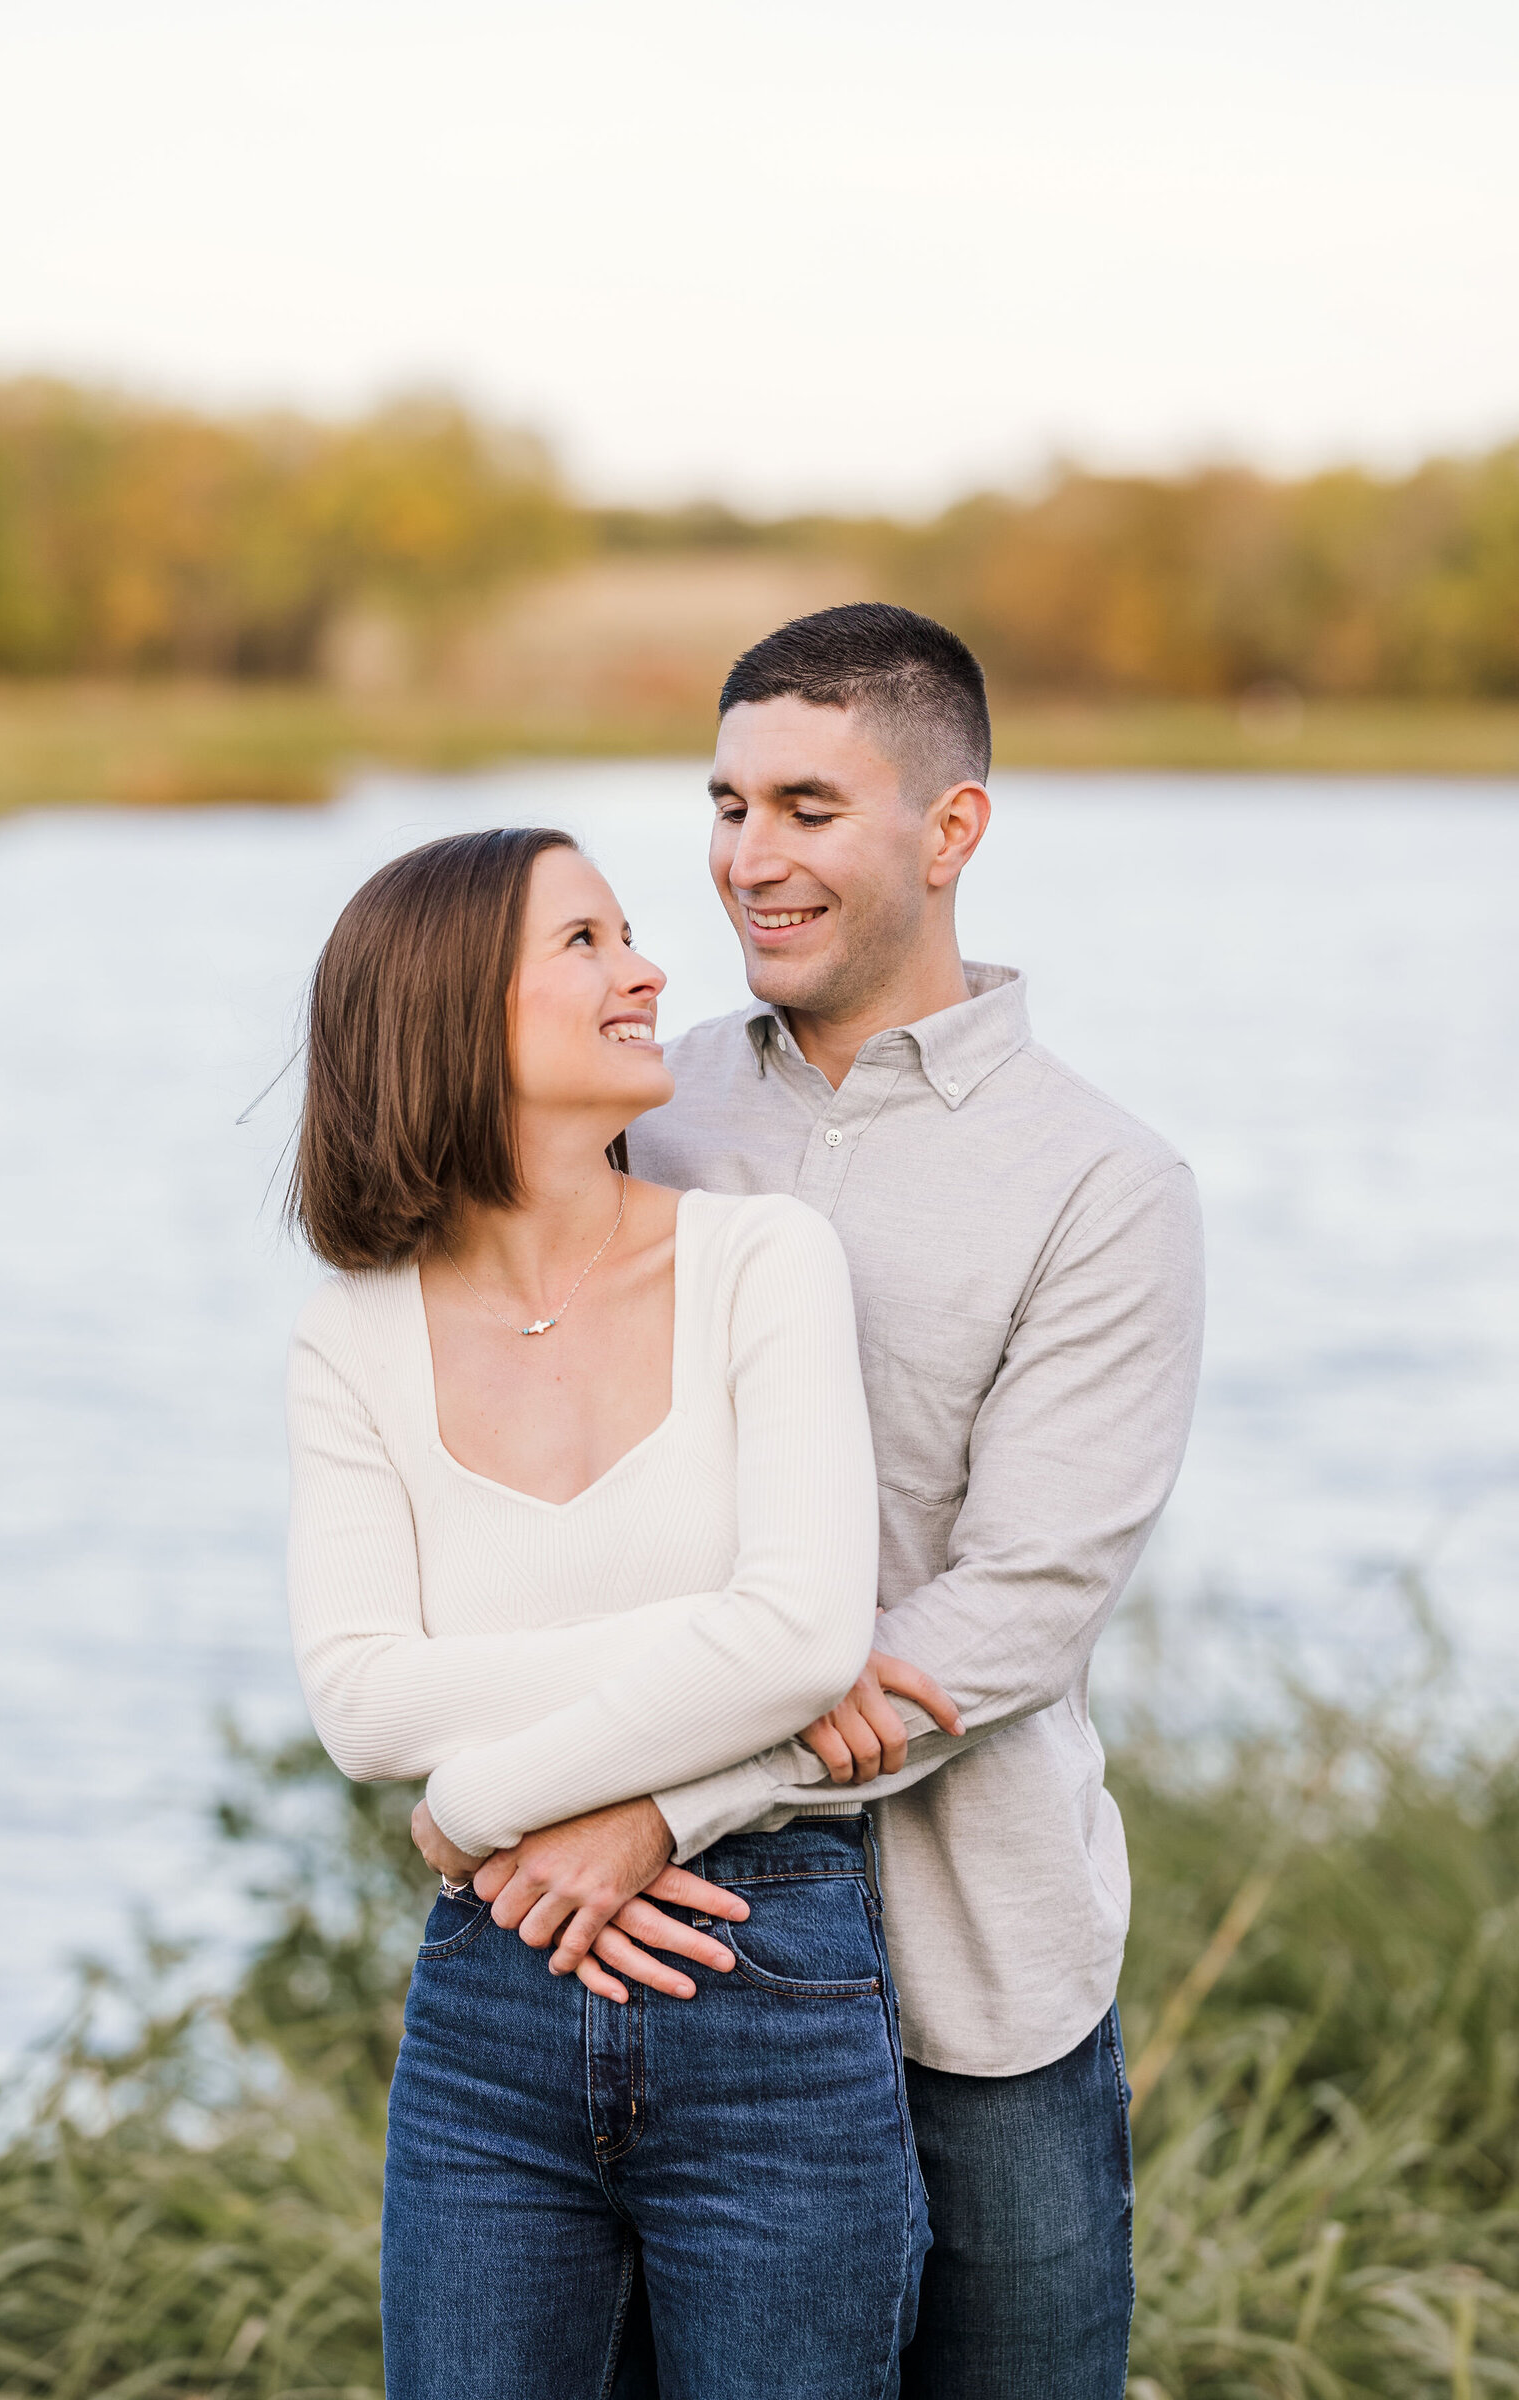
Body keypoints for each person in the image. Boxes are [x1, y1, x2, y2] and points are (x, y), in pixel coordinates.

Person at [414, 604, 1207, 2397]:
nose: (746, 861)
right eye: (724, 804)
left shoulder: (1104, 1186)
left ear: (952, 831)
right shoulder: (639, 1099)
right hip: (665, 1985)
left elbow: (1014, 1609)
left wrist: (659, 1804)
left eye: (805, 807)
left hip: (968, 1980)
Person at [283, 825, 948, 2400]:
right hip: (489, 2019)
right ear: (450, 1012)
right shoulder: (351, 1337)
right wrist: (731, 1652)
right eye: (583, 943)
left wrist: (478, 1805)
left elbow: (798, 1634)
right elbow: (364, 1702)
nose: (650, 969)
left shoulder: (761, 1262)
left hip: (764, 1973)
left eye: (632, 934)